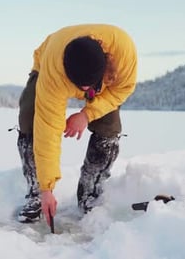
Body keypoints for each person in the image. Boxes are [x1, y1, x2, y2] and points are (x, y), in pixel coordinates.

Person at [16, 24, 138, 226]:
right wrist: (47, 189)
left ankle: (90, 190)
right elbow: (48, 130)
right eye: (78, 87)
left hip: (107, 74)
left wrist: (86, 114)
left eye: (87, 87)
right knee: (30, 114)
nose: (82, 91)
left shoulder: (123, 52)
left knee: (109, 126)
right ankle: (35, 191)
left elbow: (122, 90)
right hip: (47, 61)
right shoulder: (54, 73)